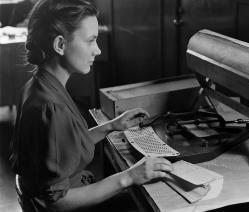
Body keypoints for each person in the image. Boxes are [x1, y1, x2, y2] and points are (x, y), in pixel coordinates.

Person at [9, 0, 173, 211]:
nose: (98, 50)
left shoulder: (37, 86)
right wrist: (130, 176)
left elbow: (63, 145)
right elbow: (58, 203)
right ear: (60, 45)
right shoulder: (51, 107)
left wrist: (111, 125)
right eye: (90, 41)